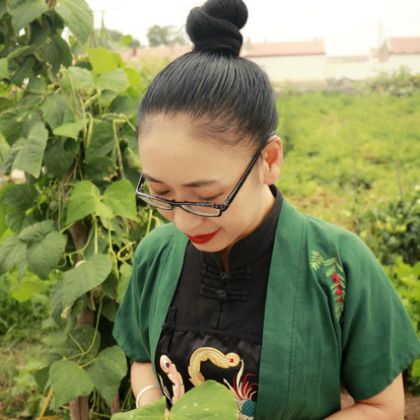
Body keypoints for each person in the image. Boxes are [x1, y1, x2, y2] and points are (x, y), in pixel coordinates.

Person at [112, 0, 420, 418]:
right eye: (162, 193)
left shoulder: (337, 266)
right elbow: (142, 359)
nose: (183, 221)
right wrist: (152, 405)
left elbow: (382, 407)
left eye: (206, 197)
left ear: (269, 160)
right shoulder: (156, 255)